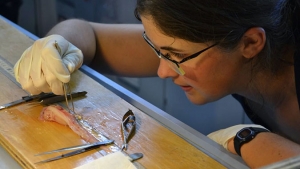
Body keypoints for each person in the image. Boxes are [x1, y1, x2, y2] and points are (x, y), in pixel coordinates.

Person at [13, 0, 300, 168]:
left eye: (177, 56)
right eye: (157, 50)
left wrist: (246, 138)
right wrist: (58, 45)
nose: (162, 70)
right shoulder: (218, 41)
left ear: (250, 43)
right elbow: (87, 33)